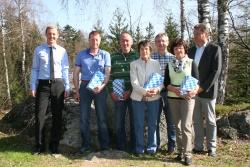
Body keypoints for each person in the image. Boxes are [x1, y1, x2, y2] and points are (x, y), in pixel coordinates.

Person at [30, 25, 70, 154]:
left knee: (57, 116)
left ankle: (54, 146)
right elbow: (35, 69)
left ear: (57, 35)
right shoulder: (38, 50)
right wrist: (32, 86)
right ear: (46, 34)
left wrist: (67, 86)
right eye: (49, 34)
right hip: (43, 86)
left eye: (54, 34)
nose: (51, 36)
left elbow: (65, 69)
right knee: (39, 116)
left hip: (58, 85)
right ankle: (39, 146)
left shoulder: (62, 51)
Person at [73, 31, 111, 154]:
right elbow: (76, 73)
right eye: (92, 39)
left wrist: (102, 86)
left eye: (97, 39)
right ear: (89, 40)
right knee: (84, 118)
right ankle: (86, 146)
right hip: (85, 87)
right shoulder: (81, 55)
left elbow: (107, 74)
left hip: (100, 88)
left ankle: (104, 146)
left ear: (100, 40)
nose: (94, 42)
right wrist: (77, 90)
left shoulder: (105, 55)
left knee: (102, 118)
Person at [188, 23, 222, 157]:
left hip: (207, 91)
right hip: (192, 91)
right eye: (194, 34)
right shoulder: (191, 50)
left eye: (197, 34)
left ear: (205, 34)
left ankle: (212, 147)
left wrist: (201, 88)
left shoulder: (215, 49)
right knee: (196, 120)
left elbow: (215, 71)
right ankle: (198, 146)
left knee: (210, 121)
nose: (194, 36)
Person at [164, 38, 199, 166]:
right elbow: (166, 83)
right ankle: (180, 152)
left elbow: (197, 82)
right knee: (177, 126)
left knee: (186, 126)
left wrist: (193, 92)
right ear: (173, 50)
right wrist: (174, 89)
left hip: (188, 99)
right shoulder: (169, 64)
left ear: (184, 49)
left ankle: (188, 154)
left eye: (181, 47)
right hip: (173, 97)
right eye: (176, 48)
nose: (178, 50)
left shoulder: (191, 63)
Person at [130, 40, 162, 155]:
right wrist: (144, 92)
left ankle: (151, 148)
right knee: (138, 124)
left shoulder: (156, 63)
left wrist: (157, 90)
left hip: (154, 98)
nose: (144, 51)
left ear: (150, 51)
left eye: (146, 49)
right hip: (137, 98)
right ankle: (139, 148)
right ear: (139, 51)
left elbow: (160, 81)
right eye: (142, 49)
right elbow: (134, 83)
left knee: (153, 123)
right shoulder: (133, 64)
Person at [109, 32, 138, 151]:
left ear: (131, 42)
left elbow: (139, 76)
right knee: (118, 122)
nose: (125, 43)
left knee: (134, 122)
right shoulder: (113, 57)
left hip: (134, 94)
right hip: (117, 94)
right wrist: (111, 92)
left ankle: (133, 147)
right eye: (122, 40)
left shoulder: (137, 56)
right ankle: (121, 147)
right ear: (119, 42)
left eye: (127, 40)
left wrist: (130, 91)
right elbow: (109, 75)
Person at [152, 33, 176, 153]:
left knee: (171, 120)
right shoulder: (151, 57)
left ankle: (172, 146)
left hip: (169, 92)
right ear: (155, 43)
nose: (161, 43)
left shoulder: (173, 58)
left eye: (163, 41)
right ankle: (155, 145)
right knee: (154, 120)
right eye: (158, 41)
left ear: (167, 42)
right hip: (155, 92)